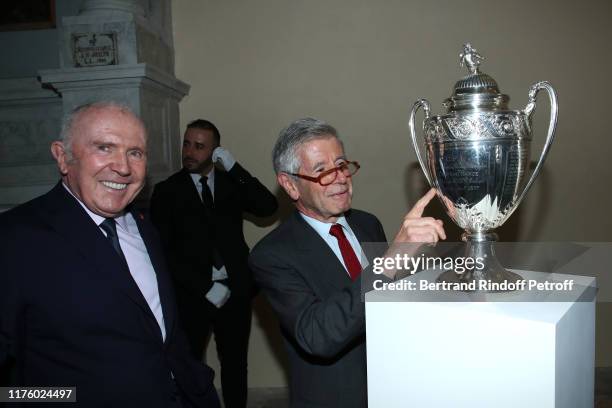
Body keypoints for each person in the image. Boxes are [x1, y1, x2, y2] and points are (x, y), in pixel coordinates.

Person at [0, 102, 220, 408]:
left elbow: (165, 334)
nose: (123, 167)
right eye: (104, 147)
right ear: (63, 157)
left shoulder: (145, 229)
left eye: (135, 152)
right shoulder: (14, 239)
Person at [249, 118, 446, 408]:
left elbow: (383, 297)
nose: (340, 177)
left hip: (393, 387)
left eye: (341, 165)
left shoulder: (367, 224)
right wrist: (392, 258)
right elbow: (317, 335)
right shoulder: (271, 255)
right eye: (322, 171)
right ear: (290, 185)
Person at [150, 119, 278, 408]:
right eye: (186, 143)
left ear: (215, 151)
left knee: (235, 364)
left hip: (236, 292)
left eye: (199, 146)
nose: (189, 152)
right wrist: (204, 286)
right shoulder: (167, 191)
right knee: (191, 365)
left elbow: (267, 206)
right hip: (191, 295)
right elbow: (164, 252)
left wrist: (234, 167)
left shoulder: (231, 184)